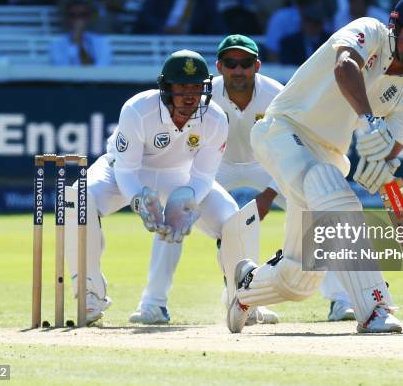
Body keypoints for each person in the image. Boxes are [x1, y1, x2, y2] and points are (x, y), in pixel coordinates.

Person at [226, 0, 403, 334]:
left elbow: (390, 151)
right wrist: (371, 121)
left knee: (301, 279)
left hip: (328, 155)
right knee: (339, 197)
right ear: (395, 25)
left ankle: (247, 286)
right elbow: (345, 67)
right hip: (283, 130)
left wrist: (384, 165)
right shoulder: (369, 31)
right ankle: (375, 307)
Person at [62, 49, 259, 324]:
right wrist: (140, 201)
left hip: (180, 176)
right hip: (123, 173)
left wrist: (185, 198)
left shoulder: (215, 119)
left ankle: (242, 299)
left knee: (234, 219)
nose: (190, 95)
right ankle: (89, 293)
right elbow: (126, 170)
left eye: (196, 87)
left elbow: (203, 176)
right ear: (165, 87)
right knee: (76, 198)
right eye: (181, 86)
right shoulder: (138, 110)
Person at [133, 35, 282, 325]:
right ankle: (153, 303)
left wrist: (270, 193)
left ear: (257, 66)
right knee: (175, 214)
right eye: (230, 63)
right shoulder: (202, 94)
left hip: (266, 165)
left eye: (245, 63)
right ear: (219, 67)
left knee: (312, 203)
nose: (238, 70)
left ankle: (338, 299)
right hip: (215, 166)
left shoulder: (277, 95)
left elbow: (291, 148)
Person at [49, 0, 111, 66]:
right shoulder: (56, 43)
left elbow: (102, 67)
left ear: (88, 18)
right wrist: (75, 43)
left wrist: (80, 43)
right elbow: (61, 67)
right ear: (67, 18)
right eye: (73, 15)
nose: (78, 19)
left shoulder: (101, 41)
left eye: (82, 15)